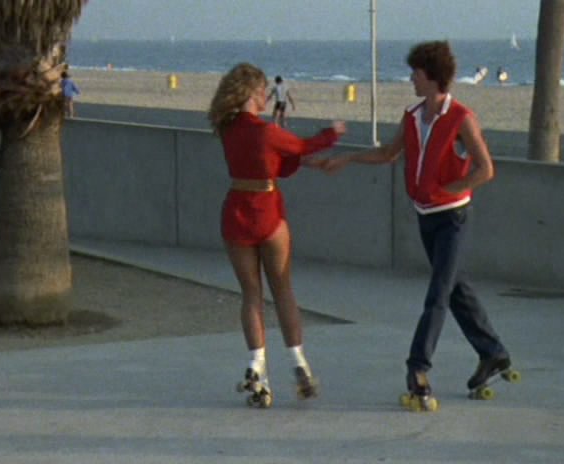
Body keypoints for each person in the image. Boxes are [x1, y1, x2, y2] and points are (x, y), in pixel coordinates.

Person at [324, 41, 511, 411]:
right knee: (456, 290)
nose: (411, 78)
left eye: (416, 72)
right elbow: (388, 153)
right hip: (426, 217)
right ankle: (493, 352)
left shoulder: (461, 117)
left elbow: (485, 169)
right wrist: (348, 158)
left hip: (453, 218)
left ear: (431, 76)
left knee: (438, 293)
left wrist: (452, 189)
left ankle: (418, 368)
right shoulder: (412, 116)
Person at [208, 63, 346, 408]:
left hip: (237, 211)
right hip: (267, 211)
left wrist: (304, 162)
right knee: (282, 290)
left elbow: (276, 163)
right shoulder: (266, 131)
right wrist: (332, 133)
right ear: (254, 93)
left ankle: (257, 367)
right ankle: (298, 361)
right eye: (264, 91)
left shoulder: (227, 129)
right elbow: (300, 146)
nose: (268, 97)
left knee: (251, 295)